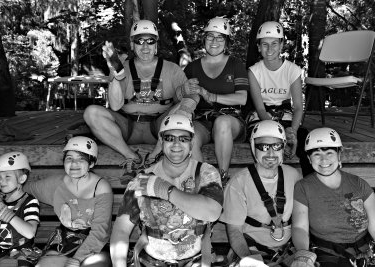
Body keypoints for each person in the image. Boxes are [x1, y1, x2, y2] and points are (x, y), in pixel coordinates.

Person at [83, 20, 189, 183]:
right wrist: (116, 72)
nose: (145, 46)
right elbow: (116, 105)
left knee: (185, 105)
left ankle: (155, 156)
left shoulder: (172, 69)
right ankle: (131, 156)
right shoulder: (121, 66)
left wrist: (187, 94)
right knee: (91, 112)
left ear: (156, 45)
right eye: (139, 41)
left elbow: (186, 99)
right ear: (132, 45)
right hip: (128, 126)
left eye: (150, 41)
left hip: (160, 127)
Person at [110, 114, 223, 267]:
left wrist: (166, 190)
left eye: (183, 138)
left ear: (192, 143)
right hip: (151, 261)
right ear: (161, 141)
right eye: (170, 138)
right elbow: (122, 229)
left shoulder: (205, 173)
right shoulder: (143, 179)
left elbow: (212, 212)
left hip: (196, 259)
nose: (176, 144)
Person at [178, 16, 249, 184]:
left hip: (231, 121)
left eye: (220, 37)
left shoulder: (235, 64)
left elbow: (242, 98)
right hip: (203, 120)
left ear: (227, 41)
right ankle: (206, 181)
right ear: (204, 39)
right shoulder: (192, 67)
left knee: (222, 123)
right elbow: (180, 96)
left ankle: (223, 177)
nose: (214, 41)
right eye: (210, 36)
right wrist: (184, 89)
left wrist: (211, 96)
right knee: (188, 133)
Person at [220, 120, 302, 266]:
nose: (271, 153)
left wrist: (302, 254)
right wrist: (251, 261)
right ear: (254, 148)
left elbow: (301, 222)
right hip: (251, 249)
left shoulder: (294, 176)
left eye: (276, 146)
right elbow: (234, 232)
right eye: (263, 147)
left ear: (283, 148)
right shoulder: (239, 182)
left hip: (289, 250)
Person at [23, 136, 113, 267]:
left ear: (92, 163)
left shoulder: (101, 187)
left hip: (95, 243)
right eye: (69, 158)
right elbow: (22, 189)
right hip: (64, 241)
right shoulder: (56, 184)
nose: (74, 163)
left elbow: (100, 231)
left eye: (81, 159)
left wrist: (77, 259)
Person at [292, 127, 375, 267]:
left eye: (329, 153)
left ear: (339, 154)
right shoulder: (303, 187)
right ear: (308, 158)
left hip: (365, 252)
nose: (324, 160)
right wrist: (303, 254)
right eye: (317, 154)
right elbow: (300, 227)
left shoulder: (358, 183)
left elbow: (374, 222)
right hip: (329, 255)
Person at [246, 21, 313, 177]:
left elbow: (297, 107)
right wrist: (279, 132)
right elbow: (261, 108)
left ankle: (310, 182)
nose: (269, 49)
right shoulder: (254, 71)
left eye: (274, 43)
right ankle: (266, 181)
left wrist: (292, 133)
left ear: (282, 44)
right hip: (262, 118)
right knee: (266, 138)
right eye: (264, 44)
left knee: (304, 138)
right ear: (258, 46)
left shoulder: (292, 70)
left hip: (285, 116)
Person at [0, 151, 40, 267]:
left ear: (22, 179)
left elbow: (30, 233)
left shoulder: (30, 201)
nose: (1, 181)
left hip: (22, 252)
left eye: (7, 176)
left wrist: (6, 213)